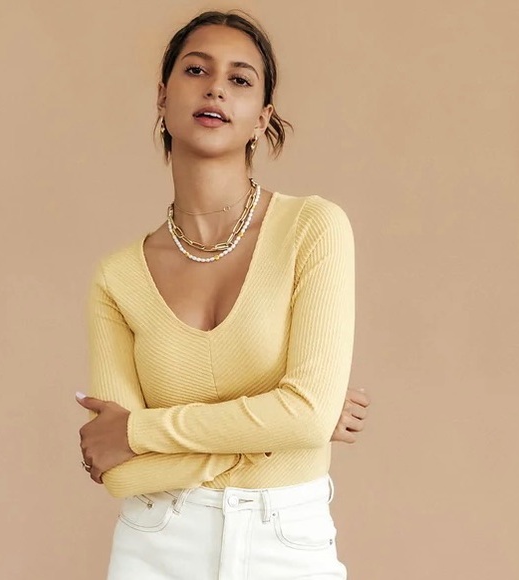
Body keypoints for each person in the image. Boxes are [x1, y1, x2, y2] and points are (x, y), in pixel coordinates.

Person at [77, 9, 371, 580]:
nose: (216, 87)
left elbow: (123, 442)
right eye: (196, 70)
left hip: (286, 541)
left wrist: (138, 432)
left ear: (262, 119)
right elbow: (122, 473)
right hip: (154, 544)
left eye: (239, 79)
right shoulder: (117, 278)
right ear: (162, 97)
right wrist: (285, 426)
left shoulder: (313, 229)